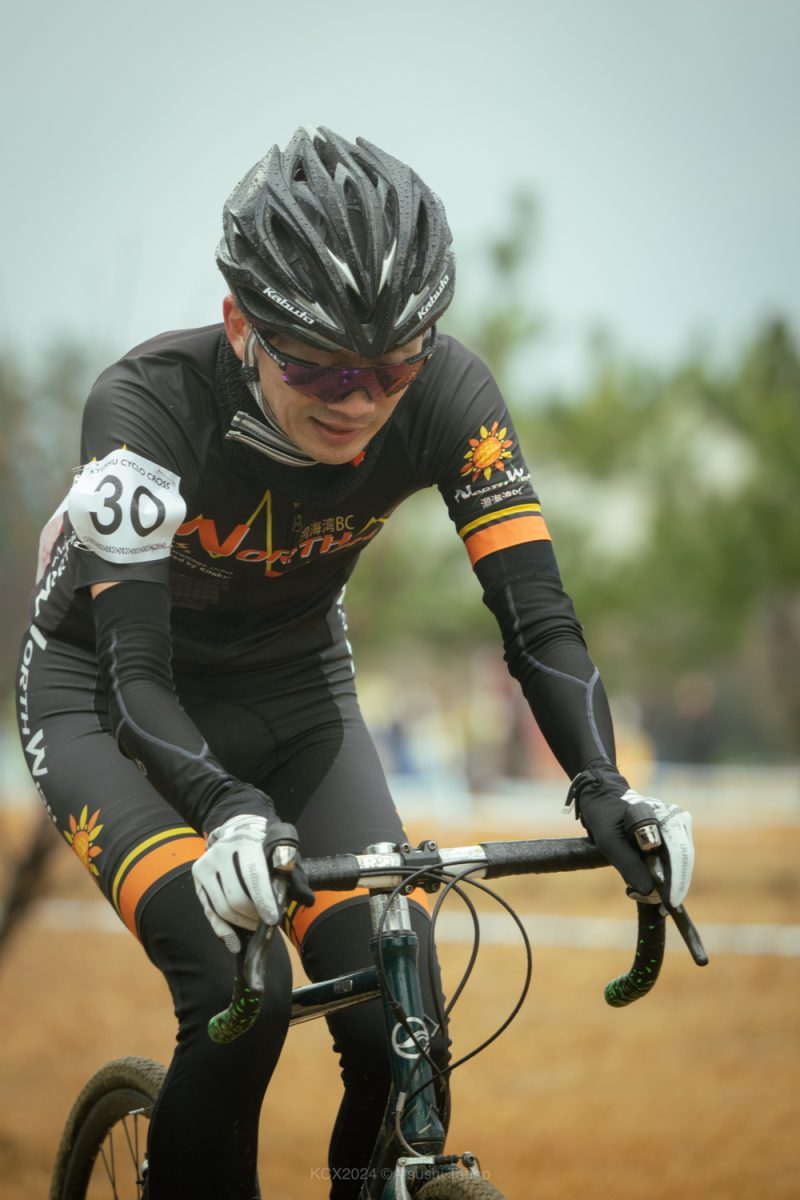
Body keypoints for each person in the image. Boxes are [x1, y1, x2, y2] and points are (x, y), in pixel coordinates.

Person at [16, 126, 694, 1199]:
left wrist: (603, 784)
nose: (358, 400)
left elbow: (538, 622)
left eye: (389, 368)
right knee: (239, 998)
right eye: (316, 364)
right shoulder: (144, 410)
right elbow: (132, 677)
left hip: (297, 698)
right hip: (108, 707)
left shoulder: (452, 396)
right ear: (239, 325)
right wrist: (224, 806)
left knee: (399, 1014)